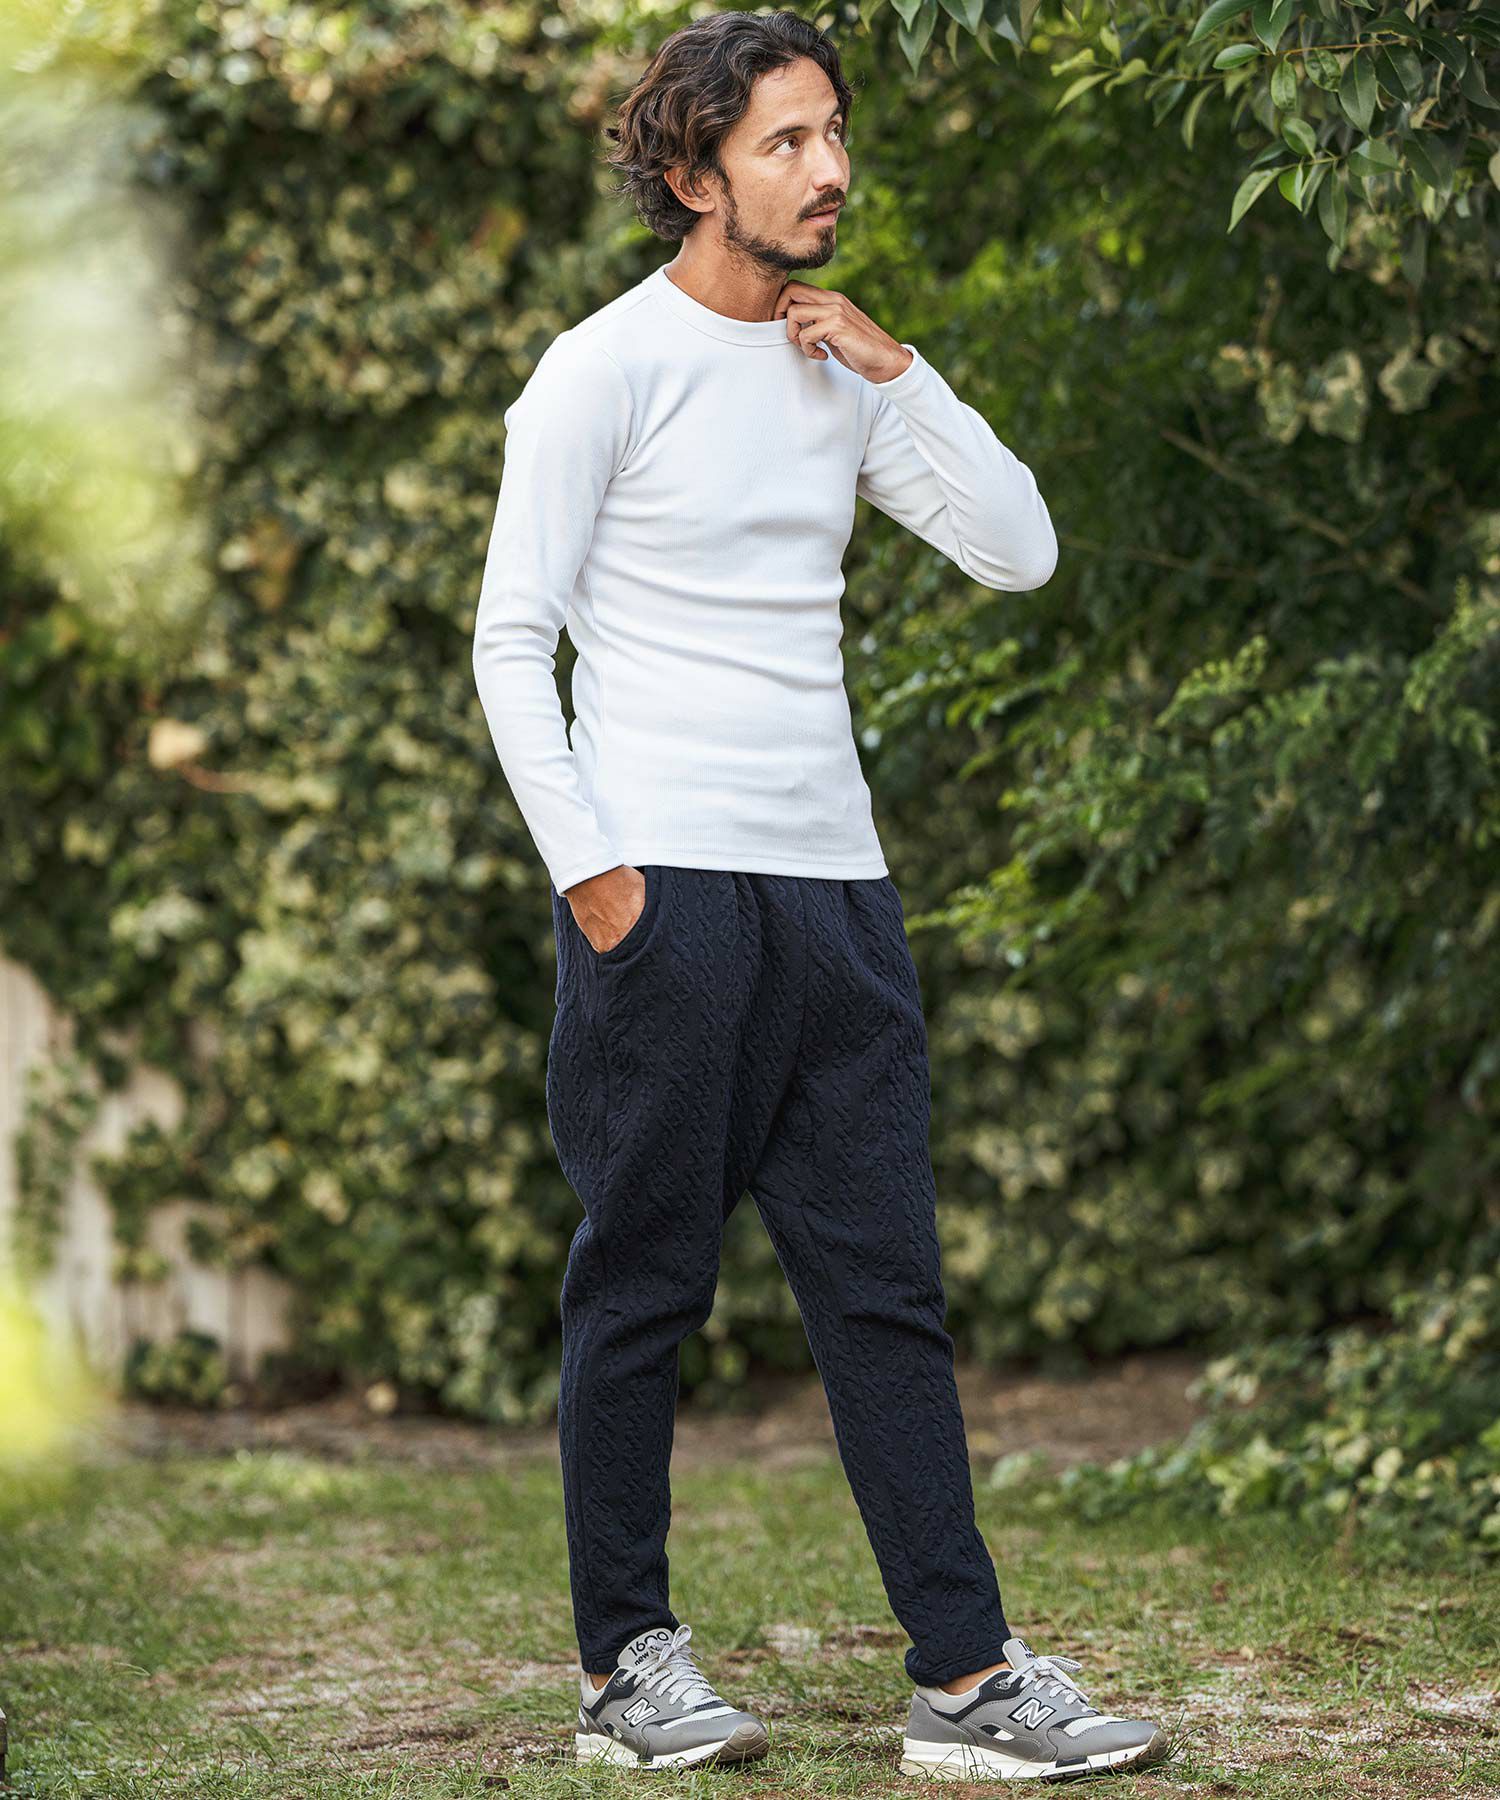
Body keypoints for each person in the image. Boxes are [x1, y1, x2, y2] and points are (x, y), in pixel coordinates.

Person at [471, 8, 1170, 1782]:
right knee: (642, 1285)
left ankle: (966, 1679)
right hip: (667, 889)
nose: (831, 168)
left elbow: (1020, 550)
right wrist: (599, 880)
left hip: (840, 891)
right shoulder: (600, 369)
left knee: (885, 1294)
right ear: (694, 172)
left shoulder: (835, 368)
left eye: (836, 132)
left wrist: (899, 372)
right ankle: (624, 1667)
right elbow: (509, 640)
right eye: (787, 141)